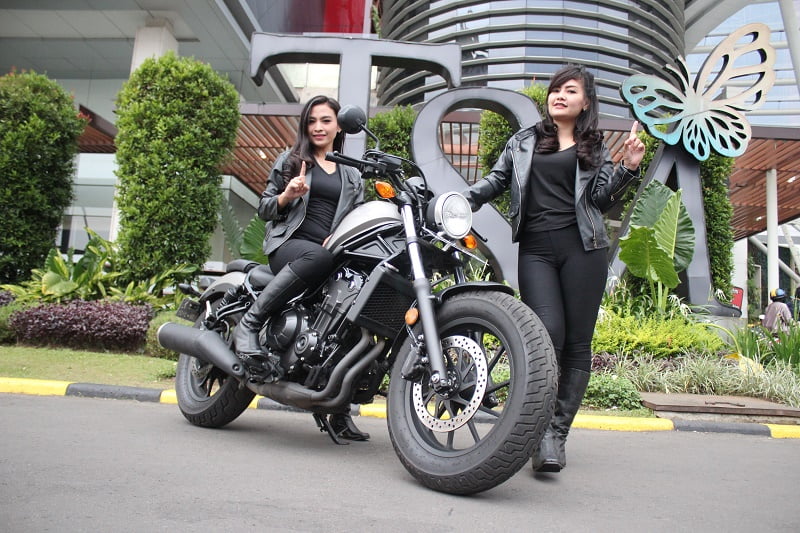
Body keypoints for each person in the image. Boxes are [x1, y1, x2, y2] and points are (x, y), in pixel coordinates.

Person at [463, 64, 645, 473]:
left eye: (570, 90)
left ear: (586, 103)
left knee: (577, 342)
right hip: (536, 251)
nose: (560, 96)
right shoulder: (524, 141)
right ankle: (535, 425)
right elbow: (496, 180)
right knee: (546, 334)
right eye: (556, 89)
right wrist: (463, 200)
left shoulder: (594, 147)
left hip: (584, 249)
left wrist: (629, 167)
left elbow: (602, 201)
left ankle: (554, 436)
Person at [232, 95, 369, 440]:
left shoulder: (352, 174)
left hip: (328, 252)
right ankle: (250, 323)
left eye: (326, 120)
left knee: (355, 305)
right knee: (317, 257)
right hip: (289, 245)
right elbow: (264, 207)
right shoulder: (293, 161)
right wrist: (287, 196)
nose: (318, 127)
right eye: (312, 121)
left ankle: (338, 410)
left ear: (339, 126)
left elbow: (358, 216)